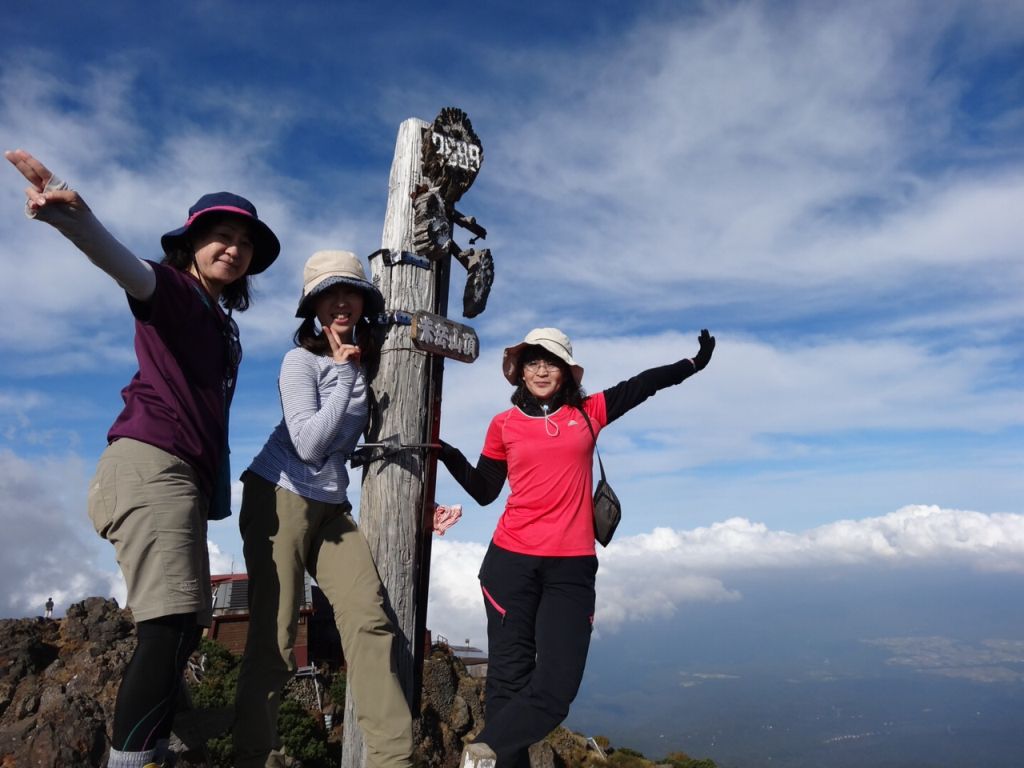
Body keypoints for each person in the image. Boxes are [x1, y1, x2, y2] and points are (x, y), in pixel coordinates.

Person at [5, 149, 280, 768]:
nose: (233, 250)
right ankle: (131, 760)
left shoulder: (219, 323)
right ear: (191, 245)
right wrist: (77, 219)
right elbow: (133, 272)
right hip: (151, 464)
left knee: (183, 626)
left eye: (243, 243)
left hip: (176, 475)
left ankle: (148, 749)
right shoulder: (178, 293)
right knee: (168, 624)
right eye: (219, 237)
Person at [438, 326, 715, 768]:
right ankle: (493, 756)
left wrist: (692, 365)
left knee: (556, 687)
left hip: (571, 568)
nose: (542, 369)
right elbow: (486, 490)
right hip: (510, 564)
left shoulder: (589, 412)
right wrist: (446, 452)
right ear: (520, 371)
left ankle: (484, 747)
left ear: (567, 371)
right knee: (507, 684)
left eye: (551, 361)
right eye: (533, 361)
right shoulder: (503, 425)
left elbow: (642, 385)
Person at [233, 250, 414, 768]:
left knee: (370, 620)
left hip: (331, 507)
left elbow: (357, 441)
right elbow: (309, 442)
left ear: (363, 301)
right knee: (277, 634)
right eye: (328, 294)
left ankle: (391, 760)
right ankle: (254, 757)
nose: (341, 302)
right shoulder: (302, 362)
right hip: (279, 495)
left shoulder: (367, 358)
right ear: (313, 307)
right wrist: (341, 373)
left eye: (350, 292)